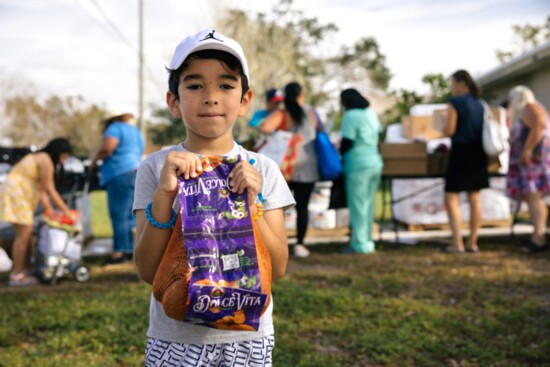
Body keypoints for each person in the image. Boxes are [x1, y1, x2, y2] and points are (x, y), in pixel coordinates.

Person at [133, 29, 294, 365]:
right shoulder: (156, 167)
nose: (211, 97)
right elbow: (148, 270)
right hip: (175, 337)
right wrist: (165, 194)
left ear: (245, 100)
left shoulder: (262, 169)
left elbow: (277, 267)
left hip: (248, 338)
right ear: (173, 102)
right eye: (194, 85)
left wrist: (254, 206)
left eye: (225, 84)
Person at [0, 138, 74, 286]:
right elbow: (50, 189)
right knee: (24, 234)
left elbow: (41, 192)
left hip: (17, 193)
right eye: (64, 157)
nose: (63, 161)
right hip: (17, 194)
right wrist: (67, 211)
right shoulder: (45, 159)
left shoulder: (37, 158)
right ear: (58, 152)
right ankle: (17, 274)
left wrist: (50, 209)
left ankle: (25, 268)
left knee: (26, 234)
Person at [260, 81, 321, 258]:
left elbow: (264, 127)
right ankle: (300, 244)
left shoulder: (282, 114)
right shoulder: (311, 113)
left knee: (277, 208)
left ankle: (278, 244)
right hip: (308, 167)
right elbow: (319, 130)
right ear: (301, 95)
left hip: (285, 168)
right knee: (303, 207)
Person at [441, 70, 488, 253]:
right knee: (474, 197)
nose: (451, 87)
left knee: (451, 197)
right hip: (479, 152)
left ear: (461, 83)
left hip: (461, 151)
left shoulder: (455, 103)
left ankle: (457, 243)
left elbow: (450, 130)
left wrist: (442, 127)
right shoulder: (479, 103)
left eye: (452, 83)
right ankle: (473, 242)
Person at [90, 112, 144, 265]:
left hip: (119, 172)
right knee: (131, 215)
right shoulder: (136, 131)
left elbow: (108, 148)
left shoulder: (115, 128)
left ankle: (119, 253)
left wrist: (95, 161)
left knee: (118, 215)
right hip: (136, 171)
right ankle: (132, 250)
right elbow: (139, 152)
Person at [506, 85, 550, 253]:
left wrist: (527, 149)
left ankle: (538, 238)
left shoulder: (530, 107)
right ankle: (537, 235)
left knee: (534, 197)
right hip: (529, 162)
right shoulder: (528, 110)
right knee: (532, 198)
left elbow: (539, 125)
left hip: (532, 162)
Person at [339, 88, 383, 254]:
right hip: (375, 162)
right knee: (369, 205)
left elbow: (347, 142)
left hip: (358, 164)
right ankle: (368, 241)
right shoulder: (371, 113)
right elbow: (379, 135)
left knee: (358, 206)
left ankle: (358, 244)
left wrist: (338, 152)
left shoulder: (350, 116)